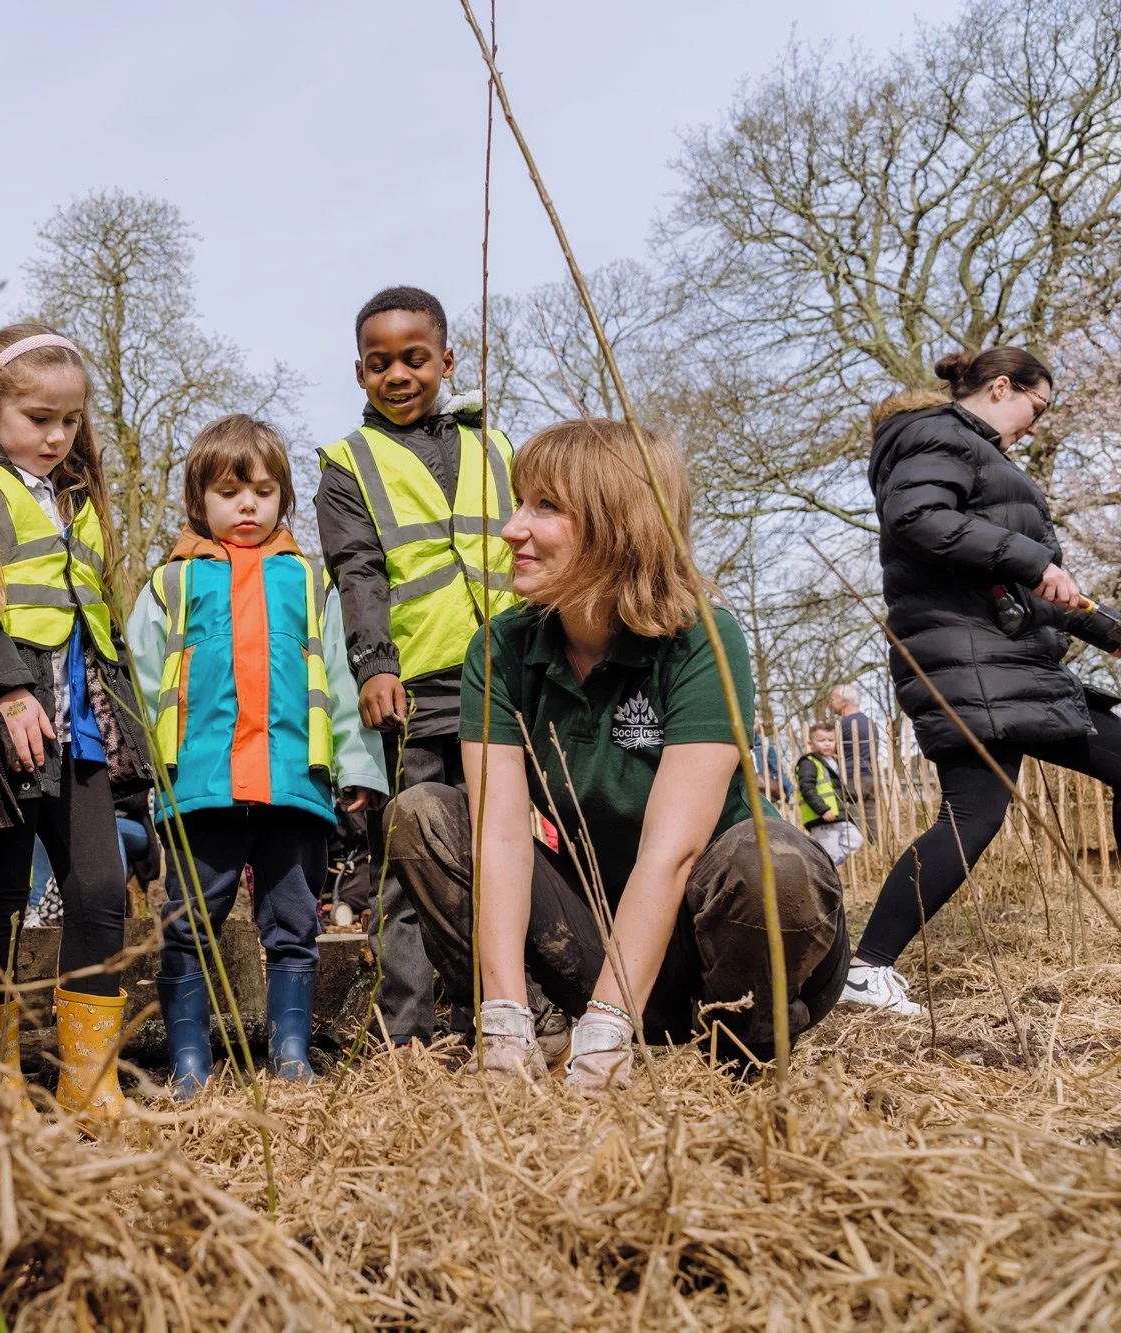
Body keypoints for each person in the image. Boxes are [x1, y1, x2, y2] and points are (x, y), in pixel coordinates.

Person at [383, 418, 847, 1089]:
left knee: (773, 860)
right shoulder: (501, 649)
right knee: (423, 814)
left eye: (545, 507)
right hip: (594, 934)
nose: (512, 529)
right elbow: (501, 838)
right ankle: (535, 1035)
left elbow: (673, 852)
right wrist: (501, 1012)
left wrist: (608, 1024)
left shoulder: (704, 639)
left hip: (717, 939)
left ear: (617, 525)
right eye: (519, 503)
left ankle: (739, 1051)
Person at [845, 349, 1121, 1016]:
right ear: (1001, 386)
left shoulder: (974, 452)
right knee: (973, 815)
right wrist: (1032, 558)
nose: (1037, 422)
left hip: (999, 662)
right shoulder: (936, 435)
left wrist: (1108, 629)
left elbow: (1021, 587)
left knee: (973, 815)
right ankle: (864, 967)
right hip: (974, 665)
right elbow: (916, 519)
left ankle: (865, 967)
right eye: (1037, 406)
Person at [126, 415, 384, 1098]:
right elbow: (142, 678)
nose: (248, 505)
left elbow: (338, 672)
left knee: (294, 924)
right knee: (188, 926)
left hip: (293, 784)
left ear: (284, 499)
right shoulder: (170, 584)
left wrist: (354, 766)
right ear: (198, 499)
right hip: (201, 787)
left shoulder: (308, 580)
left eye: (265, 492)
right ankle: (190, 1063)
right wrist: (149, 778)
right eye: (230, 492)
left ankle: (290, 1055)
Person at [0, 322, 156, 1118]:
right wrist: (5, 687)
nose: (57, 436)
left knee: (101, 891)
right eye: (38, 418)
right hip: (9, 720)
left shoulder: (78, 497)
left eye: (69, 420)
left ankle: (88, 1079)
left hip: (83, 721)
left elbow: (98, 614)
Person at [314, 285, 518, 1046]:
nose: (398, 374)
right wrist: (373, 664)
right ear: (360, 374)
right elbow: (357, 569)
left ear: (446, 359)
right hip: (417, 687)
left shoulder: (496, 445)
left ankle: (502, 1009)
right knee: (408, 859)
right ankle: (407, 1032)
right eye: (379, 364)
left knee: (507, 846)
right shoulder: (347, 462)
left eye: (414, 358)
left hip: (508, 677)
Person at [796, 723, 863, 866]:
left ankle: (828, 865)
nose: (827, 744)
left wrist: (851, 794)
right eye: (821, 741)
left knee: (855, 839)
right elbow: (807, 788)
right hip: (821, 817)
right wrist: (822, 809)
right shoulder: (808, 763)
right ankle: (827, 870)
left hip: (838, 815)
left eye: (830, 740)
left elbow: (836, 786)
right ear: (810, 743)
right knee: (830, 852)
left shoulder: (833, 761)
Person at [830, 686, 879, 843]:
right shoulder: (870, 723)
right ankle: (878, 853)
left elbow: (835, 752)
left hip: (852, 779)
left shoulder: (843, 724)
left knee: (854, 824)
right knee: (872, 822)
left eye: (833, 699)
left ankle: (860, 859)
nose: (830, 703)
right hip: (870, 777)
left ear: (844, 702)